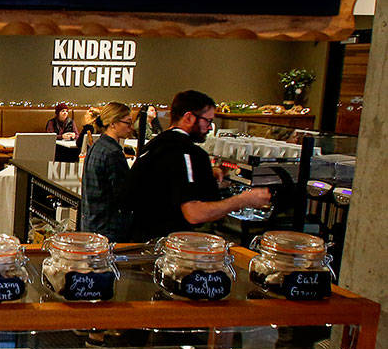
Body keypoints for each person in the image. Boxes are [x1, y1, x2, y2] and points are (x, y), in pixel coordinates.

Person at [125, 90, 270, 241]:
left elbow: (165, 186)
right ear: (188, 117)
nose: (209, 128)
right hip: (168, 247)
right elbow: (194, 214)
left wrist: (205, 175)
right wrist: (244, 200)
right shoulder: (186, 151)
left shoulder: (156, 143)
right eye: (207, 121)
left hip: (140, 239)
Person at [80, 102, 135, 241]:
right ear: (113, 123)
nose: (131, 128)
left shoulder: (96, 146)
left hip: (91, 225)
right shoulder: (113, 153)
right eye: (128, 123)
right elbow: (124, 196)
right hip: (108, 230)